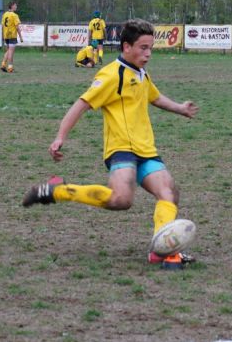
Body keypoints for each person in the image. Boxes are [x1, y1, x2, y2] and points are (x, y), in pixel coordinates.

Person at [22, 19, 199, 270]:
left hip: (146, 150)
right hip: (121, 148)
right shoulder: (110, 75)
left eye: (151, 48)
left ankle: (162, 250)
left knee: (168, 192)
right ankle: (58, 190)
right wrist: (60, 137)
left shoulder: (140, 73)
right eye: (143, 48)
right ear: (126, 46)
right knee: (121, 200)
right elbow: (81, 104)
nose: (148, 54)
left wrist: (180, 108)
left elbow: (154, 97)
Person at [1, 1, 23, 73]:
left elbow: (3, 25)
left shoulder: (5, 14)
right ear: (12, 6)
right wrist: (20, 36)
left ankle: (3, 64)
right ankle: (10, 68)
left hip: (6, 35)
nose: (16, 7)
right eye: (15, 5)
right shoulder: (14, 15)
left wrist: (3, 35)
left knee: (8, 50)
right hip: (12, 35)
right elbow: (17, 27)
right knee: (11, 51)